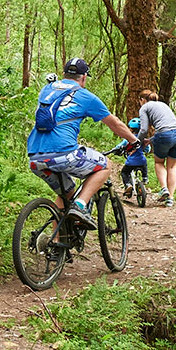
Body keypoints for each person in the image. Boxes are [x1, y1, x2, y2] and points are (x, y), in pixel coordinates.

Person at [27, 58, 140, 229]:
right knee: (105, 165)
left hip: (35, 158)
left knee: (67, 193)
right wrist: (133, 140)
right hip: (63, 155)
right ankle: (80, 205)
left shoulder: (47, 90)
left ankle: (57, 242)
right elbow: (114, 123)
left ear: (64, 74)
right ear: (84, 77)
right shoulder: (85, 96)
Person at [137, 89, 176, 207]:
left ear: (142, 100)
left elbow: (143, 130)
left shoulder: (144, 107)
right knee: (172, 166)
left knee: (159, 162)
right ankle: (170, 199)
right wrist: (150, 140)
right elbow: (169, 127)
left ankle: (164, 189)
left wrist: (137, 142)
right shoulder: (163, 105)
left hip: (164, 135)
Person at [110, 118, 151, 200]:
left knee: (124, 172)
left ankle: (128, 185)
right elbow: (148, 149)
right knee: (144, 164)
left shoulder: (128, 138)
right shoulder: (142, 139)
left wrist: (114, 150)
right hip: (142, 161)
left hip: (131, 162)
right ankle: (145, 177)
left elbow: (119, 146)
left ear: (131, 129)